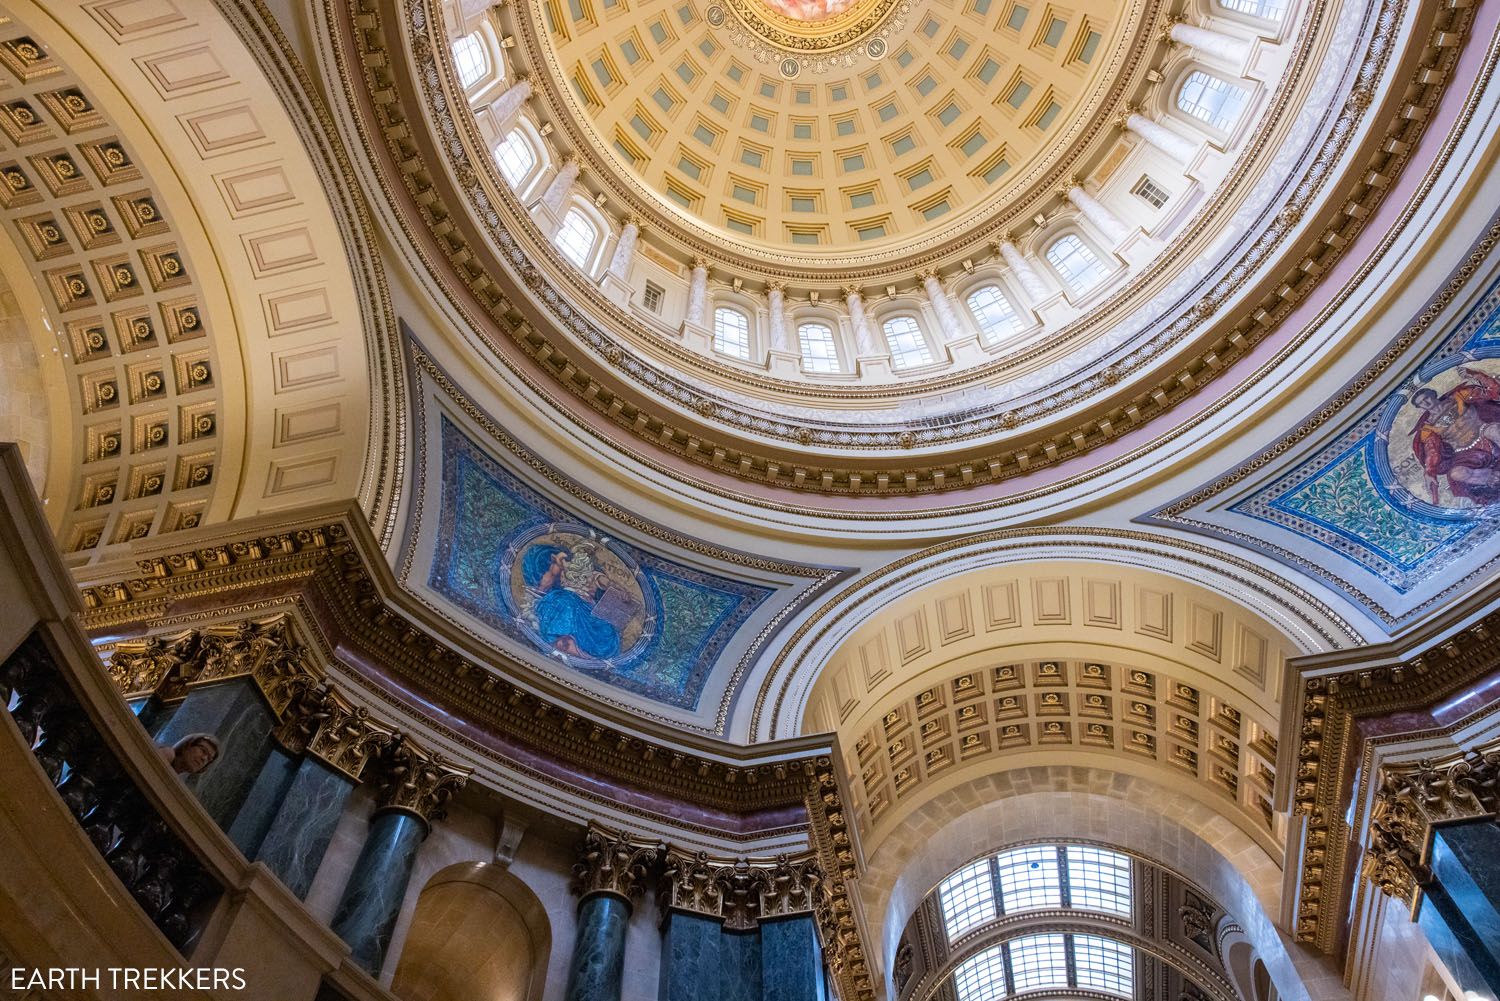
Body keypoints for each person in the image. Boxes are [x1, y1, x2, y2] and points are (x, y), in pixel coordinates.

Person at [1410, 365, 1500, 506]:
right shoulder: (1427, 428)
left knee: (1495, 431)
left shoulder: (1459, 396)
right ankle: (1491, 479)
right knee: (1456, 473)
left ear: (1433, 395)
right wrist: (1430, 472)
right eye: (1421, 403)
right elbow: (1432, 452)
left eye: (1426, 398)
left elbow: (1490, 391)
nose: (1425, 403)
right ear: (1420, 408)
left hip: (1483, 432)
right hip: (1465, 452)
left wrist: (1475, 375)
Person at [519, 542, 621, 660]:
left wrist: (621, 592)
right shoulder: (563, 563)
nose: (582, 558)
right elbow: (547, 580)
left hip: (586, 607)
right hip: (567, 598)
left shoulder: (594, 575)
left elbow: (609, 584)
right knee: (564, 603)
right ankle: (562, 640)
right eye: (580, 554)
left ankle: (572, 646)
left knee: (607, 630)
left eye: (585, 556)